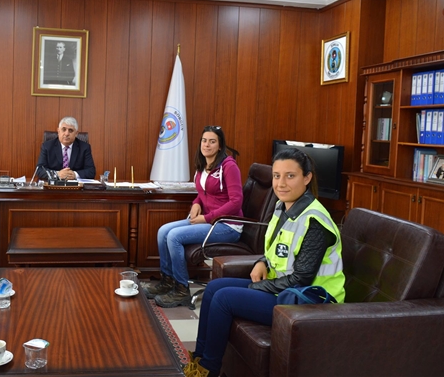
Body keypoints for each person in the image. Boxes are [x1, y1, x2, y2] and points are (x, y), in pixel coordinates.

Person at [183, 147, 345, 377]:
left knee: (224, 298)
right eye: (277, 176)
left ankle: (209, 370)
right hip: (286, 290)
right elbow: (276, 249)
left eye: (290, 176)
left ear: (307, 178)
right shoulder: (282, 207)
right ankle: (199, 361)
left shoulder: (315, 221)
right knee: (214, 288)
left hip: (310, 300)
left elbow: (302, 278)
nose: (281, 183)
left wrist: (259, 286)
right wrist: (262, 262)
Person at [143, 126, 244, 308]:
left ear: (220, 145)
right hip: (208, 219)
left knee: (174, 236)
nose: (207, 145)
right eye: (204, 140)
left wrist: (207, 218)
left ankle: (181, 289)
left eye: (212, 141)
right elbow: (203, 192)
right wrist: (196, 203)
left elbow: (236, 201)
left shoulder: (229, 167)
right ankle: (167, 281)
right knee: (163, 231)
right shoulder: (203, 165)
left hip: (227, 225)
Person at [36, 116, 96, 180]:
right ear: (58, 131)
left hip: (75, 184)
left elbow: (91, 171)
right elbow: (39, 170)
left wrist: (74, 174)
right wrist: (57, 174)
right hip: (54, 184)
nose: (66, 134)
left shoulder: (84, 147)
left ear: (76, 133)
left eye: (70, 130)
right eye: (64, 129)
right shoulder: (47, 146)